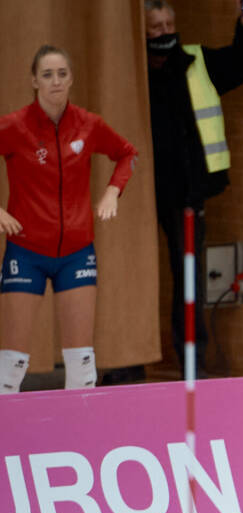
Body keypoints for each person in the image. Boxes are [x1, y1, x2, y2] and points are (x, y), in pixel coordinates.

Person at [0, 46, 137, 394]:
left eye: (62, 74)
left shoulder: (89, 124)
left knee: (82, 363)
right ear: (34, 81)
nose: (56, 81)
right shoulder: (15, 126)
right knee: (11, 365)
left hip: (76, 252)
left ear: (71, 78)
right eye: (47, 75)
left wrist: (112, 192)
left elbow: (127, 154)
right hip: (25, 252)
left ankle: (81, 428)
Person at [145, 0, 243, 379]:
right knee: (134, 271)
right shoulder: (131, 72)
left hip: (187, 194)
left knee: (189, 277)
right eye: (156, 27)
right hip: (138, 194)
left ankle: (192, 363)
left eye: (169, 24)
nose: (166, 32)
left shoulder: (196, 62)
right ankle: (123, 364)